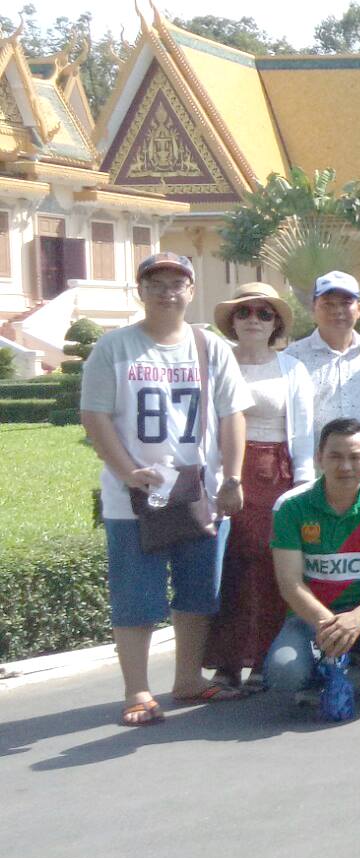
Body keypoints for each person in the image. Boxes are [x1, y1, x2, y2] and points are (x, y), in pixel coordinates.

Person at [80, 251, 253, 726]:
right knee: (136, 596)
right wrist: (126, 471)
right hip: (133, 497)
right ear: (141, 291)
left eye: (177, 282)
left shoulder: (209, 347)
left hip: (198, 491)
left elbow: (231, 414)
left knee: (199, 590)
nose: (167, 291)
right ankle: (137, 690)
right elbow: (94, 416)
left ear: (191, 291)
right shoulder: (113, 348)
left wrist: (232, 478)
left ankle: (188, 678)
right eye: (156, 283)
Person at [205, 282, 318, 690]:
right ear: (232, 321)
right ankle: (227, 660)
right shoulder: (216, 364)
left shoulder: (293, 369)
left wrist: (304, 487)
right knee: (229, 568)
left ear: (276, 324)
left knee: (273, 566)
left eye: (263, 313)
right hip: (225, 473)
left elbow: (303, 435)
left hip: (275, 475)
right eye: (245, 312)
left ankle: (266, 658)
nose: (253, 319)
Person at [264, 418, 360, 706]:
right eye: (335, 456)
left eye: (355, 457)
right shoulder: (290, 506)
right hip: (311, 617)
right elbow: (289, 583)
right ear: (318, 458)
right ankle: (315, 679)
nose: (345, 466)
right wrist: (328, 624)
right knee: (282, 673)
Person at [285, 270, 360, 476]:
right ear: (313, 309)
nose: (337, 311)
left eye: (345, 303)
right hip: (314, 480)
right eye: (328, 304)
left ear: (359, 309)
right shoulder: (293, 357)